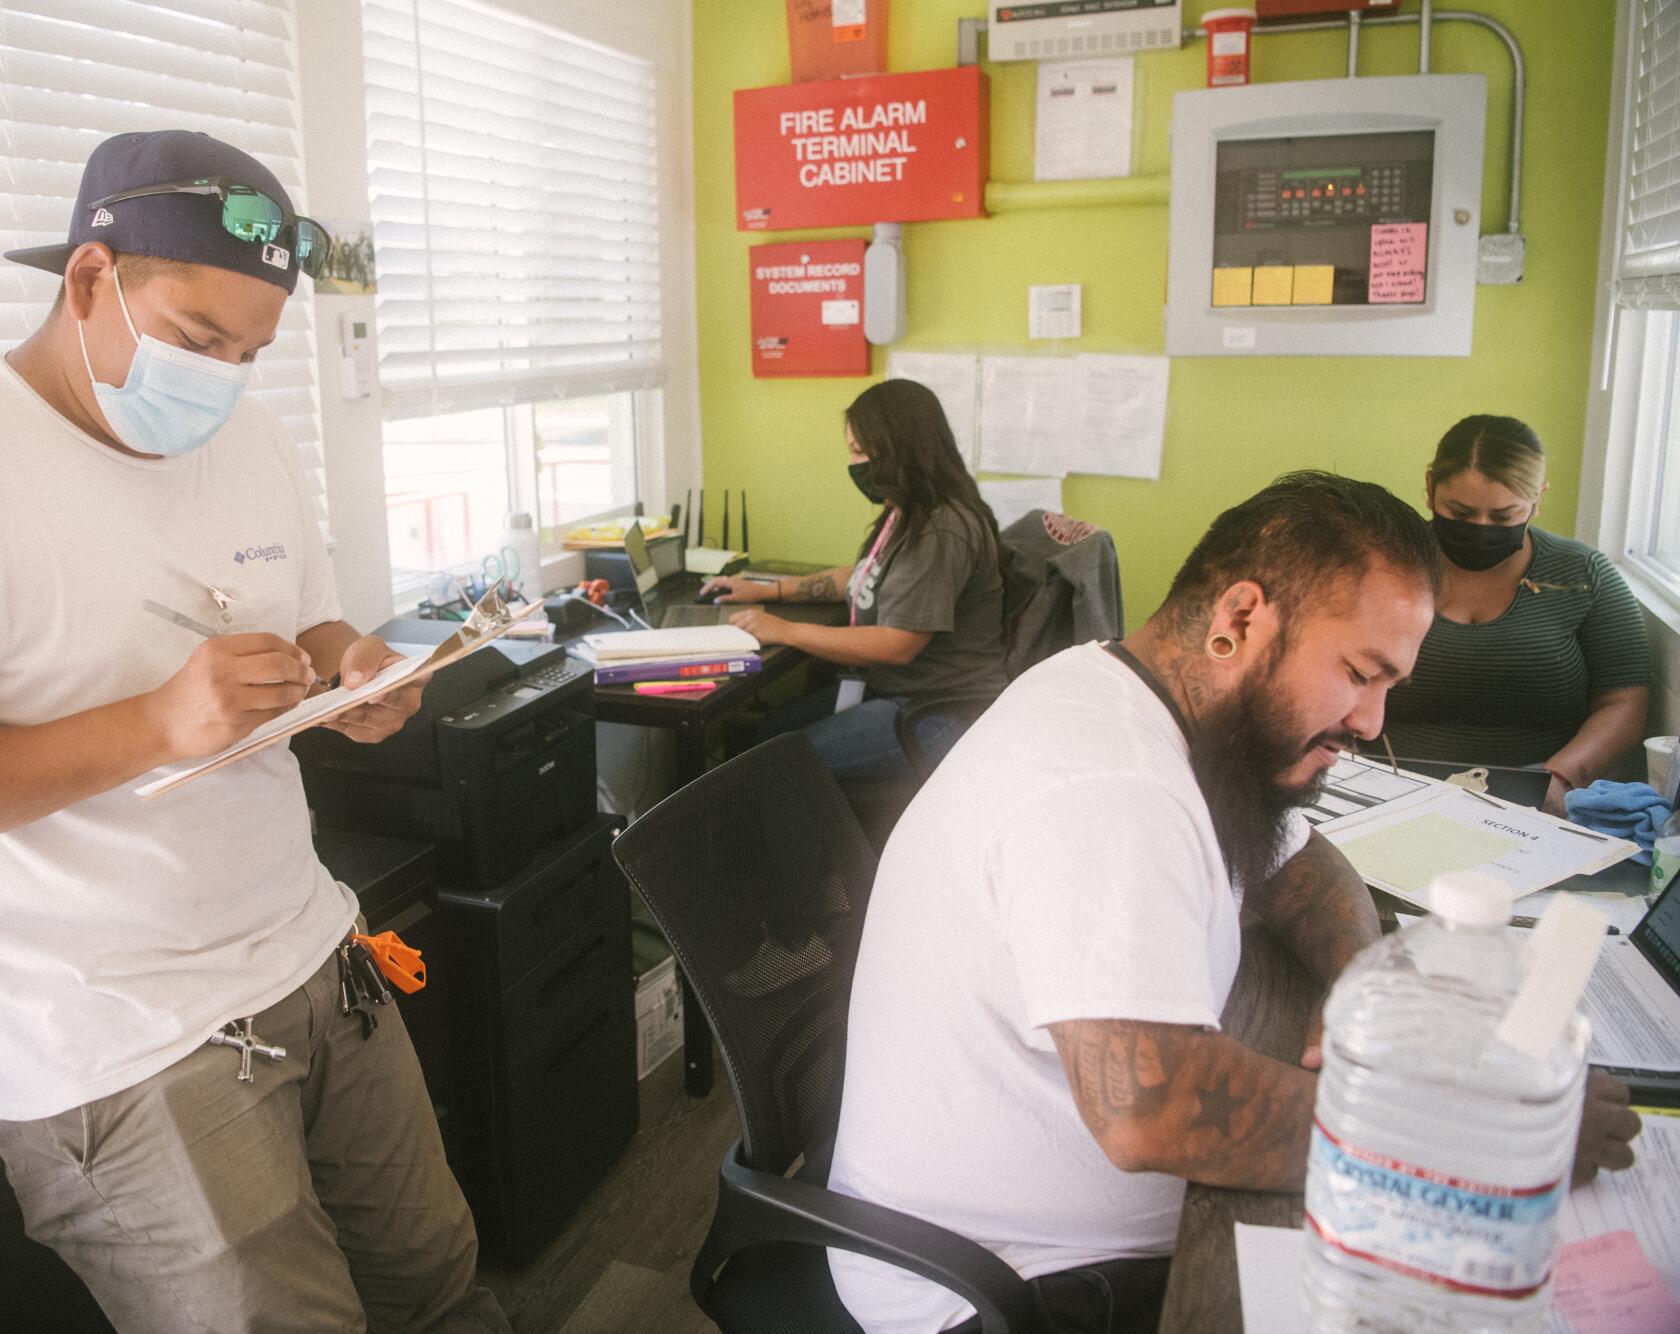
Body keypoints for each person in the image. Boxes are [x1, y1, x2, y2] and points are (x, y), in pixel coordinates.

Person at [0, 131, 508, 1334]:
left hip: (311, 951)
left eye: (252, 351)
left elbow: (310, 614)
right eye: (197, 340)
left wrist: (351, 666)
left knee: (436, 1283)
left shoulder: (248, 436)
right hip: (120, 1042)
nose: (225, 378)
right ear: (88, 280)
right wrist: (153, 724)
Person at [824, 473, 1643, 1334]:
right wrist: (1495, 1141)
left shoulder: (1156, 703)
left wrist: (1362, 989)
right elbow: (1154, 1111)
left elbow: (1308, 866)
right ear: (1241, 619)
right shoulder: (1107, 782)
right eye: (1361, 674)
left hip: (1077, 1250)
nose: (1371, 719)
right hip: (1002, 1295)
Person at [702, 378, 1008, 781]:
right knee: (766, 735)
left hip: (937, 710)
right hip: (903, 693)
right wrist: (769, 590)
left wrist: (786, 631)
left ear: (898, 450)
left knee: (770, 767)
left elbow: (897, 643)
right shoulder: (909, 509)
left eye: (860, 451)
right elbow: (865, 576)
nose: (854, 463)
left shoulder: (940, 528)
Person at [1385, 414, 1651, 814]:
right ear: (1429, 487)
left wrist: (1558, 779)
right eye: (1459, 512)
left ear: (1537, 499)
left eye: (1503, 517)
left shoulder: (1582, 575)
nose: (1480, 527)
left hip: (1540, 801)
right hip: (1386, 787)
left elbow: (1624, 701)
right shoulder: (1379, 566)